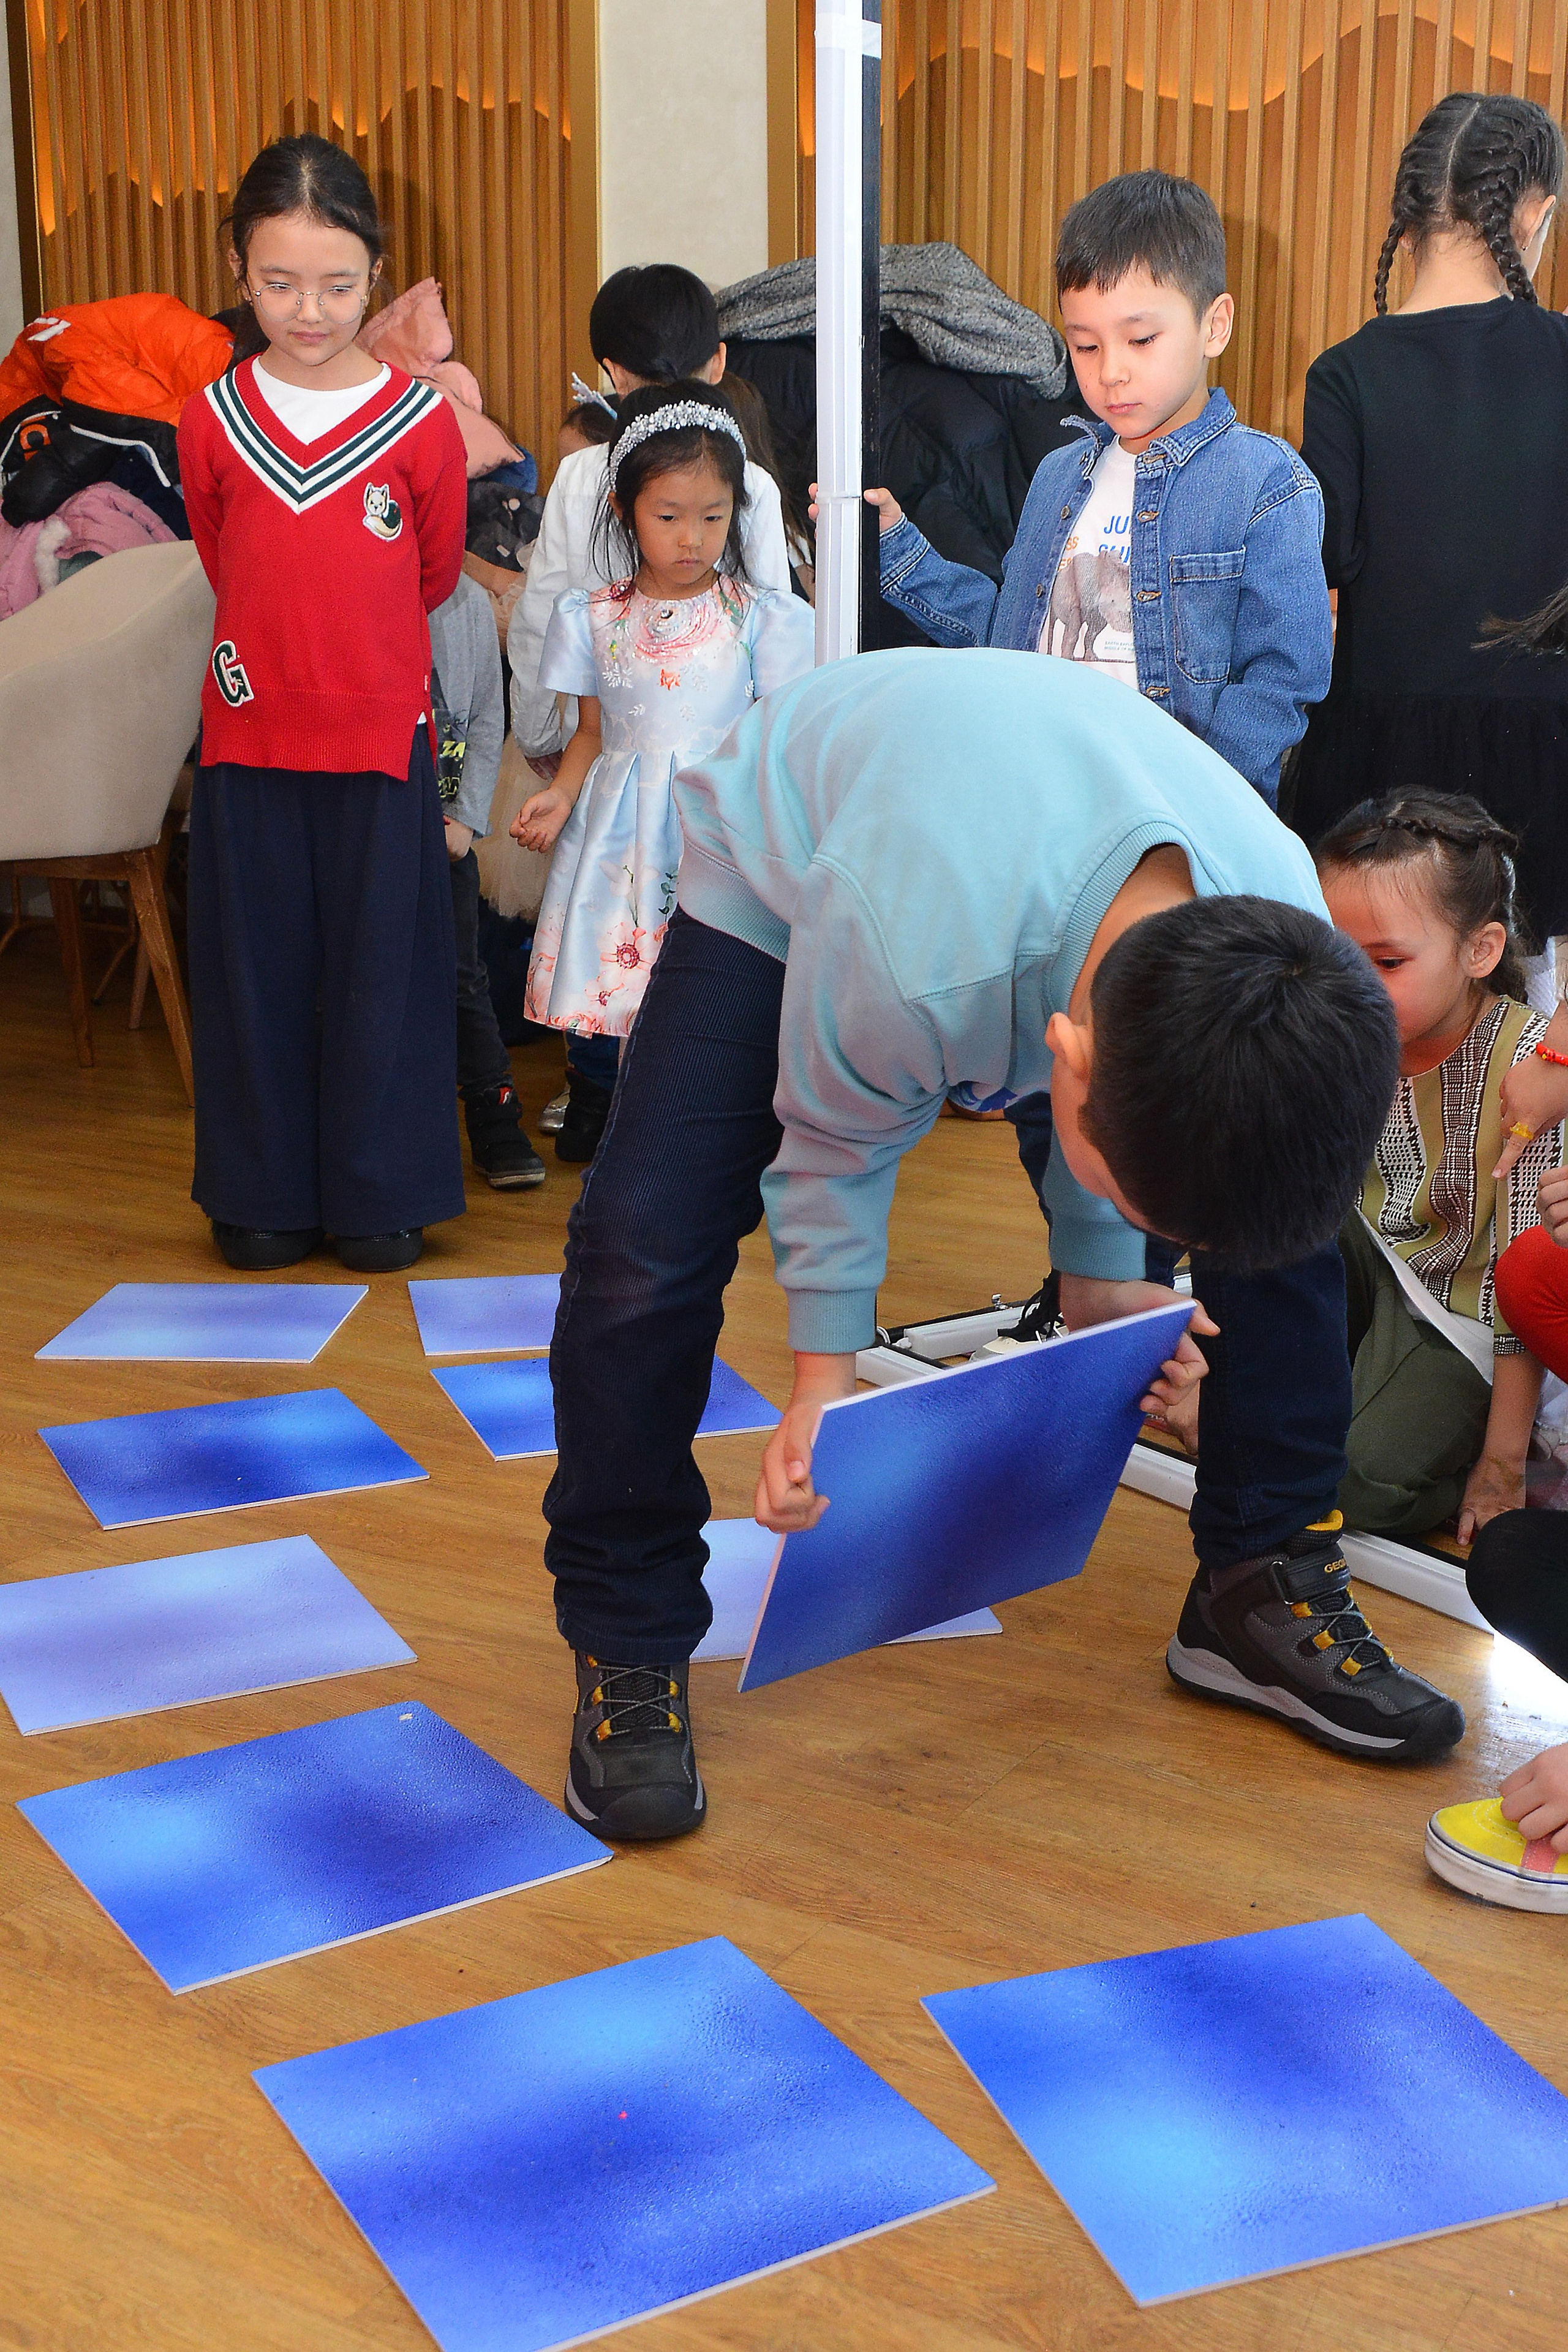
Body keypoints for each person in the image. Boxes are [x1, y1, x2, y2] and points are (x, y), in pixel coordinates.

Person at [537, 646, 1469, 1848]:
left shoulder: (1287, 931)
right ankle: (628, 1622)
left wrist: (1103, 1278)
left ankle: (1256, 1580)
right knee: (640, 1242)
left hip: (1049, 837)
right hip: (799, 830)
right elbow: (828, 1151)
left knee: (1272, 1199)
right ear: (1056, 1068)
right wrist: (822, 1383)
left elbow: (1159, 1130)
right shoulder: (906, 949)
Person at [178, 134, 467, 1275]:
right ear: (242, 274)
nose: (310, 310)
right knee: (254, 973)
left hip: (381, 741)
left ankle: (379, 1194)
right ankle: (259, 1196)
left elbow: (433, 572)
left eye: (338, 284)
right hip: (247, 739)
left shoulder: (422, 422)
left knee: (383, 977)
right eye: (281, 282)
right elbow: (222, 553)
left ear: (376, 276)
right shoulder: (211, 416)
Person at [867, 170, 1332, 806]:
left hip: (1177, 819)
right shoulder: (1059, 475)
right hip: (1043, 800)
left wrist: (1198, 801)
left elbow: (1283, 677)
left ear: (1214, 325)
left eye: (1141, 339)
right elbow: (1009, 640)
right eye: (1084, 345)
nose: (1110, 370)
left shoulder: (1265, 483)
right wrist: (897, 547)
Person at [1292, 94, 1568, 1005]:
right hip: (1543, 748)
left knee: (1375, 1009)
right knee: (1526, 1020)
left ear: (1407, 219)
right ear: (1534, 215)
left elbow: (1325, 564)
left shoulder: (1344, 373)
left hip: (1381, 761)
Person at [510, 384, 813, 1163]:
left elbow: (776, 737)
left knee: (708, 975)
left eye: (713, 518)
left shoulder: (760, 617)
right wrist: (557, 793)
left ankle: (709, 1114)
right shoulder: (594, 614)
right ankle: (606, 1101)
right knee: (621, 969)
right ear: (623, 509)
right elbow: (588, 733)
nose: (692, 538)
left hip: (716, 823)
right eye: (669, 516)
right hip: (621, 828)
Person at [1313, 793, 1564, 1543]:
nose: (1353, 983)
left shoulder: (1528, 1070)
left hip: (1465, 1316)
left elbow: (1521, 1288)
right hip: (1373, 1266)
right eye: (1334, 950)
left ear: (1479, 951)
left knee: (1359, 1487)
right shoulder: (1342, 1034)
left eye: (1387, 961)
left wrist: (1501, 1462)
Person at [507, 265, 792, 767]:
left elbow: (541, 614)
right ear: (719, 361)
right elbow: (776, 639)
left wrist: (536, 734)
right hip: (723, 760)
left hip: (602, 753)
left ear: (614, 372)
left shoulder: (578, 475)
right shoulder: (752, 481)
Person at [428, 572, 546, 1189]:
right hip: (362, 825)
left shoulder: (463, 603)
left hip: (442, 830)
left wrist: (464, 817)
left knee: (462, 975)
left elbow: (480, 718)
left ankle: (494, 1113)